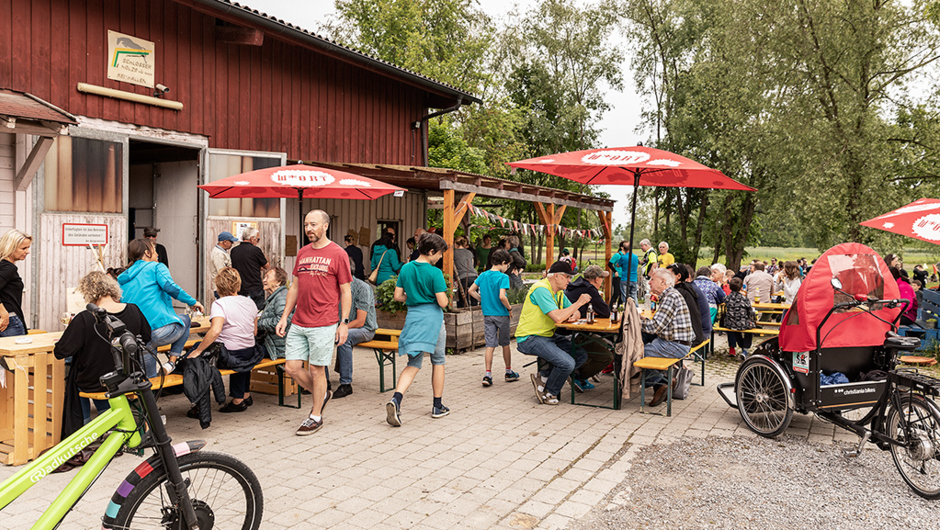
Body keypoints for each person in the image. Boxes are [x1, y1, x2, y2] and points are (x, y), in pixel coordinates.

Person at [277, 210, 352, 435]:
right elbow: (295, 287)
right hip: (300, 321)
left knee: (317, 369)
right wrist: (284, 317)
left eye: (314, 224)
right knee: (291, 367)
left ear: (326, 226)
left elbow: (346, 291)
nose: (309, 229)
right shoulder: (302, 253)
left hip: (324, 321)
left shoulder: (338, 253)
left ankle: (316, 415)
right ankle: (323, 394)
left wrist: (344, 323)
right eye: (306, 224)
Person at [54, 271, 151, 437]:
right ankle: (110, 423)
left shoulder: (85, 318)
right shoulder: (134, 310)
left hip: (97, 382)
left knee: (74, 377)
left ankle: (82, 429)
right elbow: (147, 337)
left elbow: (61, 351)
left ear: (88, 293)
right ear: (112, 289)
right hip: (129, 377)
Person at [386, 233, 451, 426]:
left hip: (413, 317)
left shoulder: (406, 268)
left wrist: (414, 298)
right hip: (433, 319)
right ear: (431, 251)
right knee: (438, 360)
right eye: (439, 254)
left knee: (413, 363)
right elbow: (443, 301)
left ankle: (396, 399)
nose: (440, 257)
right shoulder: (434, 273)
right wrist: (439, 298)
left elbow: (398, 296)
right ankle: (437, 406)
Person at [118, 238, 204, 378]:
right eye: (155, 251)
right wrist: (193, 302)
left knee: (149, 381)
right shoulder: (156, 267)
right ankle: (171, 362)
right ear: (147, 253)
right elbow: (170, 287)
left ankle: (146, 398)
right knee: (185, 320)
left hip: (138, 337)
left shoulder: (123, 278)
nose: (158, 254)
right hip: (159, 331)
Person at [515, 261, 592, 405]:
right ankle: (550, 392)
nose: (570, 280)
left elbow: (575, 313)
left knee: (581, 355)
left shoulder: (559, 292)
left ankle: (543, 378)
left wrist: (573, 313)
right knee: (567, 363)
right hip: (530, 337)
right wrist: (578, 303)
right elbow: (557, 316)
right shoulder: (541, 289)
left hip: (547, 335)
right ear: (556, 276)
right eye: (567, 277)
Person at [186, 268, 262, 413]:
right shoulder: (250, 302)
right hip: (250, 352)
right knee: (238, 351)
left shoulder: (220, 304)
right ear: (238, 285)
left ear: (219, 286)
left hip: (230, 355)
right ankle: (244, 395)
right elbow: (254, 331)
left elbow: (215, 330)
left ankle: (200, 406)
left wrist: (198, 351)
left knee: (195, 356)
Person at [639, 268, 695, 407]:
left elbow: (654, 327)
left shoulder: (670, 296)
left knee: (636, 354)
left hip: (675, 345)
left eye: (652, 279)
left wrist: (636, 319)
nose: (649, 282)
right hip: (674, 341)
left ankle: (662, 382)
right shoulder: (669, 295)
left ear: (663, 282)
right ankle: (661, 384)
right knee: (643, 343)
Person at [469, 249, 519, 387]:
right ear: (503, 263)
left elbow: (470, 290)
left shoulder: (483, 275)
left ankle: (488, 375)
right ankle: (508, 372)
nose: (507, 268)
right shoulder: (503, 277)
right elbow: (502, 296)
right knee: (505, 343)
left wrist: (482, 300)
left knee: (490, 345)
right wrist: (509, 308)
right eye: (507, 265)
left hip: (487, 314)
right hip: (501, 314)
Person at [331, 258, 377, 398]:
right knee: (321, 335)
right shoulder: (334, 287)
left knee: (345, 337)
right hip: (341, 326)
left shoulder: (362, 288)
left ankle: (346, 385)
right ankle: (323, 382)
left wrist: (339, 329)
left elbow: (360, 321)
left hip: (366, 329)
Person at [564, 265, 613, 391]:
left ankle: (581, 376)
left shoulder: (575, 285)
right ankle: (578, 375)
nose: (602, 281)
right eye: (602, 278)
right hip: (573, 333)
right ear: (597, 279)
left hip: (565, 329)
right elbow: (606, 312)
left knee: (601, 343)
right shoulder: (589, 289)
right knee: (608, 355)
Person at [0, 229, 32, 337]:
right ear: (10, 247)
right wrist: (3, 312)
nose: (27, 251)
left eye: (28, 248)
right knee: (18, 353)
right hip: (9, 321)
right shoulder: (8, 268)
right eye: (23, 248)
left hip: (7, 320)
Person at [666, 264, 705, 345]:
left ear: (678, 276)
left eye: (668, 275)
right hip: (697, 333)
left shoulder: (678, 292)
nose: (665, 277)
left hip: (690, 338)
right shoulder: (686, 288)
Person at [257, 267, 291, 359]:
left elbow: (280, 321)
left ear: (278, 282)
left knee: (244, 355)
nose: (264, 280)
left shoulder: (281, 297)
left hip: (277, 348)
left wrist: (258, 323)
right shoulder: (276, 296)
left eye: (267, 277)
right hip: (272, 344)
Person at [230, 228, 268, 310]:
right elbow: (267, 266)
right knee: (257, 312)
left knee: (241, 312)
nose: (257, 242)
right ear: (252, 238)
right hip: (255, 287)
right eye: (257, 240)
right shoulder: (256, 250)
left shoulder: (234, 251)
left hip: (240, 287)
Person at [723, 277, 755, 359]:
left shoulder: (727, 298)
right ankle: (745, 349)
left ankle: (742, 346)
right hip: (742, 323)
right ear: (741, 288)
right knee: (749, 328)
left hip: (730, 323)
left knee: (735, 328)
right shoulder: (744, 299)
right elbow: (750, 312)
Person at [211, 231, 239, 299]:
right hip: (222, 288)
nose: (232, 244)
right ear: (225, 242)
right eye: (231, 242)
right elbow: (222, 272)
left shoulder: (221, 252)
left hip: (224, 287)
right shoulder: (218, 254)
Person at [454, 236, 478, 307]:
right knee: (474, 297)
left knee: (463, 299)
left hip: (462, 276)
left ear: (455, 244)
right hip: (474, 276)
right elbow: (472, 263)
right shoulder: (469, 252)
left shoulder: (454, 253)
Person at [607, 242, 625, 308]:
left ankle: (619, 308)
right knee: (616, 293)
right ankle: (610, 308)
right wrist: (615, 271)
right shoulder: (617, 255)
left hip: (624, 276)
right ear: (622, 247)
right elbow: (609, 264)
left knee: (622, 294)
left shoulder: (625, 256)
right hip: (617, 277)